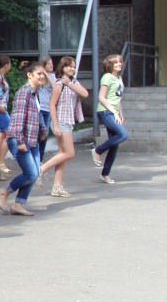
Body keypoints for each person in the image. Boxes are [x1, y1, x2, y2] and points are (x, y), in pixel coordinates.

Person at [0, 62, 48, 216]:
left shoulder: (35, 93)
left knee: (35, 172)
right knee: (31, 173)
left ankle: (18, 204)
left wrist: (44, 130)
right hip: (20, 139)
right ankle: (5, 192)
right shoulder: (24, 92)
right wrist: (20, 142)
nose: (42, 76)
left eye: (43, 74)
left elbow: (37, 114)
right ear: (29, 74)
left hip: (32, 140)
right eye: (39, 73)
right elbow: (18, 118)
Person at [39, 56, 89, 198]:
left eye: (73, 66)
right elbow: (51, 105)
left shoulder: (73, 82)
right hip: (60, 121)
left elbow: (85, 93)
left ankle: (57, 187)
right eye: (69, 66)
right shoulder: (59, 84)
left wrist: (70, 84)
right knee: (70, 153)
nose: (72, 69)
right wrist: (55, 125)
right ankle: (41, 170)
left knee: (63, 155)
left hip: (68, 120)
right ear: (62, 67)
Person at [93, 53, 127, 184]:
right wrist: (114, 112)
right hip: (105, 111)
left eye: (120, 62)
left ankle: (105, 174)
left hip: (114, 112)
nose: (119, 64)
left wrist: (120, 113)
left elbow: (117, 98)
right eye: (116, 62)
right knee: (123, 134)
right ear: (110, 65)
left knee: (115, 143)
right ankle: (97, 150)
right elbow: (101, 97)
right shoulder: (107, 77)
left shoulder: (118, 78)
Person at [34, 57, 55, 186]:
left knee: (44, 136)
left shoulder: (51, 76)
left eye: (52, 63)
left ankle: (39, 160)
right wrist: (43, 73)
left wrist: (47, 73)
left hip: (48, 108)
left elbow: (54, 85)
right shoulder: (40, 77)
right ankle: (36, 160)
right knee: (42, 133)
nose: (51, 65)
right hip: (40, 108)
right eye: (48, 64)